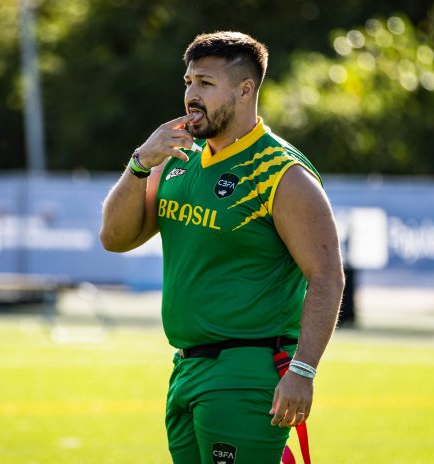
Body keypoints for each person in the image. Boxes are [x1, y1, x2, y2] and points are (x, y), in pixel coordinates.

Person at [100, 31, 344, 463]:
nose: (191, 95)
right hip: (186, 368)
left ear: (245, 88)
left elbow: (326, 276)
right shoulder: (178, 157)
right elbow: (115, 238)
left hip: (246, 371)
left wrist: (303, 372)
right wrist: (140, 163)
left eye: (206, 84)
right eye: (189, 81)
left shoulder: (281, 173)